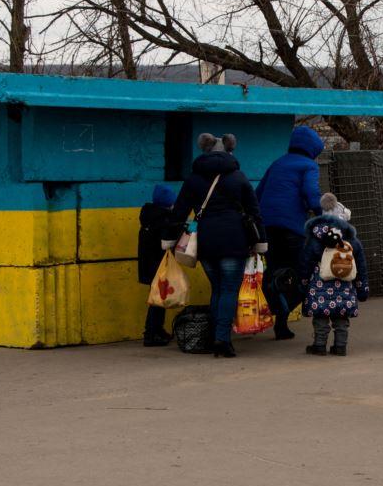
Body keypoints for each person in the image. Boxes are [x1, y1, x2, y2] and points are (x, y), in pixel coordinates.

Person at [163, 133, 267, 358]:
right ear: (230, 150)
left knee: (218, 288)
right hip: (234, 240)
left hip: (206, 242)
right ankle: (222, 339)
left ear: (205, 150)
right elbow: (254, 211)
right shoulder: (239, 177)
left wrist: (169, 239)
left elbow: (179, 211)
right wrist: (260, 242)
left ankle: (214, 337)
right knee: (229, 289)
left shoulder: (193, 179)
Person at [256, 125, 325, 340]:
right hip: (292, 228)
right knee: (302, 272)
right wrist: (323, 213)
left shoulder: (277, 163)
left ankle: (281, 324)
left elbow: (258, 193)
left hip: (267, 226)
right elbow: (312, 194)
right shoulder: (309, 166)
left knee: (275, 270)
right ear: (313, 149)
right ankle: (285, 306)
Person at [298, 193, 368, 356]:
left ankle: (319, 345)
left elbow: (306, 262)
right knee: (341, 316)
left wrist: (302, 283)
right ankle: (340, 346)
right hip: (345, 285)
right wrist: (362, 288)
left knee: (321, 315)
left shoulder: (315, 238)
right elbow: (361, 266)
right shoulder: (352, 240)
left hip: (319, 284)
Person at [138, 184, 177, 346]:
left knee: (158, 299)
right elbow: (167, 241)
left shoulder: (149, 217)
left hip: (149, 265)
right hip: (158, 266)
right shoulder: (163, 220)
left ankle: (157, 330)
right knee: (157, 301)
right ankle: (151, 333)